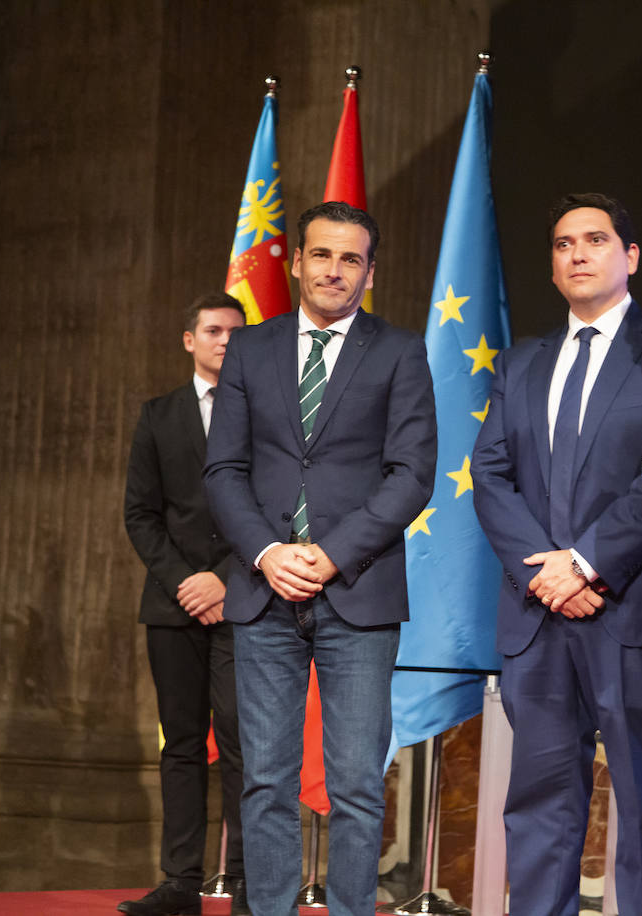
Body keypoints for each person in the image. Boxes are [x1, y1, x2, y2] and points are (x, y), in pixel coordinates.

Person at [203, 201, 437, 916]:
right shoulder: (250, 349)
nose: (334, 270)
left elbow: (412, 473)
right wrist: (270, 552)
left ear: (371, 273)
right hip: (262, 592)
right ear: (296, 261)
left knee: (358, 786)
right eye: (322, 255)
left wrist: (330, 555)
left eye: (351, 259)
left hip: (357, 592)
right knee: (266, 780)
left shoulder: (399, 351)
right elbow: (223, 470)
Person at [471, 193, 642, 916]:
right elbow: (490, 475)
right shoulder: (523, 361)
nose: (577, 254)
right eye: (564, 243)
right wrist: (549, 573)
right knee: (538, 804)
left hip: (632, 613)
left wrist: (587, 562)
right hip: (539, 616)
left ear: (630, 257)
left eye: (596, 240)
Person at [122, 292, 249, 916]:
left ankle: (252, 883)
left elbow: (279, 508)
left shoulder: (265, 415)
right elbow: (140, 515)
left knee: (243, 744)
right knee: (180, 743)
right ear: (189, 339)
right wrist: (188, 583)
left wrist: (223, 579)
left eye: (235, 332)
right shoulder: (158, 415)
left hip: (244, 600)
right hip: (174, 607)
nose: (225, 341)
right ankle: (181, 883)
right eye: (213, 330)